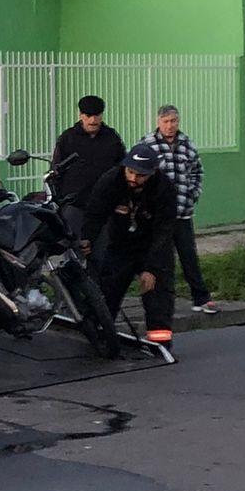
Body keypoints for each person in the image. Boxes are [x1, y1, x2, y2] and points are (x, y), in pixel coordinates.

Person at [80, 143, 178, 345]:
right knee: (107, 293)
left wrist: (151, 268)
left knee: (157, 296)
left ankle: (160, 343)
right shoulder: (111, 180)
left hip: (154, 247)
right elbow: (95, 213)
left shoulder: (164, 189)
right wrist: (86, 239)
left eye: (140, 175)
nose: (133, 178)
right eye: (130, 172)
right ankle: (101, 337)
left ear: (152, 172)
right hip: (121, 246)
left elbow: (164, 231)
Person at [137, 104, 217, 314]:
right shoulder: (147, 145)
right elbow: (137, 175)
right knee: (159, 259)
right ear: (158, 122)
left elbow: (197, 173)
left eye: (174, 121)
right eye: (166, 122)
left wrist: (192, 195)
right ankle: (160, 300)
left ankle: (201, 298)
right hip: (156, 216)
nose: (170, 126)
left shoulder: (187, 144)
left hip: (182, 213)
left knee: (189, 255)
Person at [50, 94, 126, 241]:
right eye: (88, 115)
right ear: (81, 115)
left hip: (105, 206)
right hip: (75, 206)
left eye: (97, 115)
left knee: (104, 250)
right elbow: (56, 171)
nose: (93, 120)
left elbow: (122, 169)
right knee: (75, 247)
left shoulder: (112, 138)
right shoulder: (68, 138)